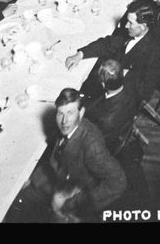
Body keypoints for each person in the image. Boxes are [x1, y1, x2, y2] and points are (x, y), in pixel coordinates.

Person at [24, 89, 127, 222]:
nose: (64, 121)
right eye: (60, 114)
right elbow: (57, 158)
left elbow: (118, 182)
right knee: (21, 190)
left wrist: (76, 203)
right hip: (62, 176)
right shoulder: (68, 127)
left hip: (74, 193)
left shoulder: (92, 146)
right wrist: (32, 177)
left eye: (70, 113)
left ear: (81, 112)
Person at [65, 2, 160, 102]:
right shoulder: (131, 33)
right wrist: (80, 54)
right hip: (109, 79)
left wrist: (116, 83)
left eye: (131, 23)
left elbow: (144, 90)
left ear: (143, 26)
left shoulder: (154, 52)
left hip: (120, 96)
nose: (126, 26)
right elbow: (106, 44)